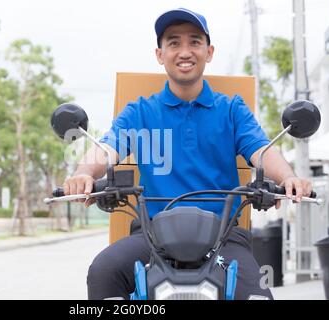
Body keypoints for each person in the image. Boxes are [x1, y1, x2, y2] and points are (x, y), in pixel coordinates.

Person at [62, 8, 313, 300]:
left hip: (222, 240)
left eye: (194, 42)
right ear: (160, 54)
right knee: (103, 270)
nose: (185, 51)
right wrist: (83, 174)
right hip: (153, 239)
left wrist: (289, 176)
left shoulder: (231, 109)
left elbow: (261, 151)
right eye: (173, 42)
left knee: (259, 296)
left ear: (209, 51)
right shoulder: (140, 111)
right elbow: (106, 149)